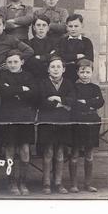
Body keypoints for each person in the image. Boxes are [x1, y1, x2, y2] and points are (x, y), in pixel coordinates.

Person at [0, 50, 38, 195]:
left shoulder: (28, 76)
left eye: (15, 62)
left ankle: (23, 182)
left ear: (22, 62)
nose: (13, 65)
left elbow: (34, 94)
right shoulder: (2, 76)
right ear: (6, 64)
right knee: (10, 150)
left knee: (25, 150)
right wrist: (22, 89)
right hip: (8, 116)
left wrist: (13, 90)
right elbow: (4, 93)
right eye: (9, 62)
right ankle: (12, 182)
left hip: (25, 116)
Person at [37, 56, 75, 194]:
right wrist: (61, 104)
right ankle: (46, 183)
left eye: (59, 66)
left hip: (63, 122)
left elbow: (72, 101)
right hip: (47, 121)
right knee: (48, 152)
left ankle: (58, 183)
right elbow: (41, 102)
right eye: (52, 66)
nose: (56, 69)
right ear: (48, 69)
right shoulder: (42, 83)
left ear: (64, 69)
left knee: (60, 153)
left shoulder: (69, 83)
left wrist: (57, 98)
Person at [69, 59, 104, 193]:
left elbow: (100, 101)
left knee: (89, 153)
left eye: (88, 72)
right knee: (75, 152)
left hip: (92, 121)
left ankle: (88, 184)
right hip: (77, 121)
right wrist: (90, 102)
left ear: (92, 73)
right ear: (77, 73)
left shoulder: (95, 88)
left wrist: (85, 101)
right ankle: (73, 184)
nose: (85, 74)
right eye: (82, 72)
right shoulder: (74, 87)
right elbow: (74, 103)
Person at [57, 14, 94, 82]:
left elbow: (89, 59)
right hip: (65, 75)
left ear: (82, 26)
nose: (73, 29)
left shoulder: (87, 42)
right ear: (67, 27)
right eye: (70, 26)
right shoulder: (62, 41)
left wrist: (70, 61)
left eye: (76, 26)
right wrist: (77, 56)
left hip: (82, 76)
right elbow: (61, 56)